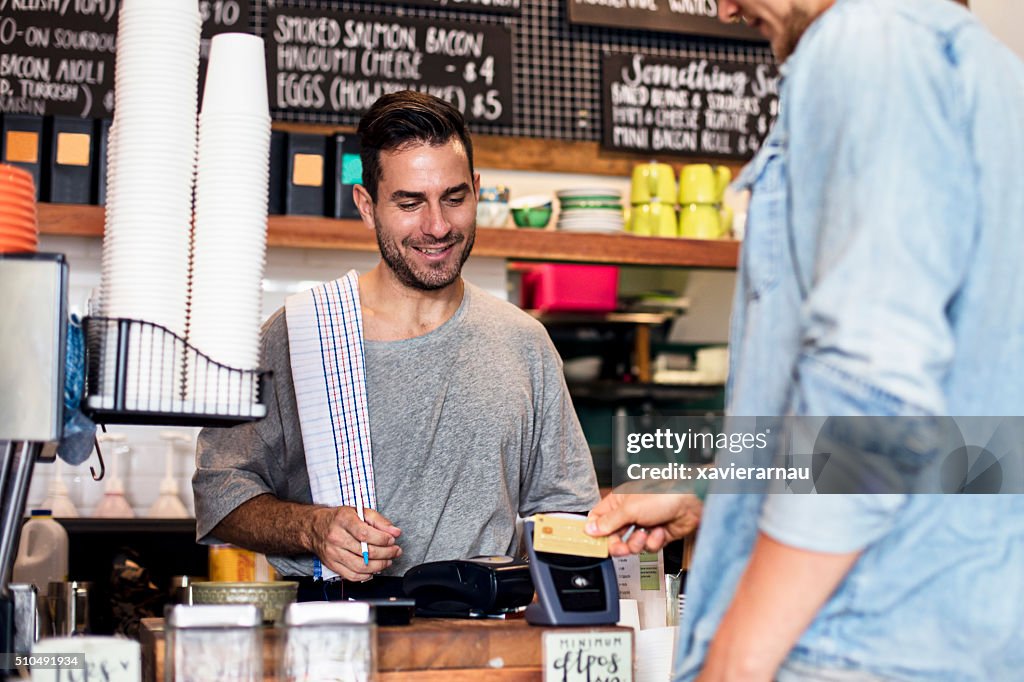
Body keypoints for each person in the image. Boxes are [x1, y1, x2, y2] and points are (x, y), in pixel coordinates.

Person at [587, 1, 1024, 680]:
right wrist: (715, 489)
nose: (727, 8)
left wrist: (736, 658)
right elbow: (972, 445)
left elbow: (871, 396)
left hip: (851, 640)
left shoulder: (865, 40)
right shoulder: (994, 72)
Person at [194, 91, 599, 596]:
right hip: (335, 638)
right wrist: (312, 529)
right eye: (409, 203)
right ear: (367, 206)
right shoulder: (301, 331)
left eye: (454, 198)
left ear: (476, 190)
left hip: (488, 638)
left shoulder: (523, 343)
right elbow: (220, 492)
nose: (437, 226)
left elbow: (566, 512)